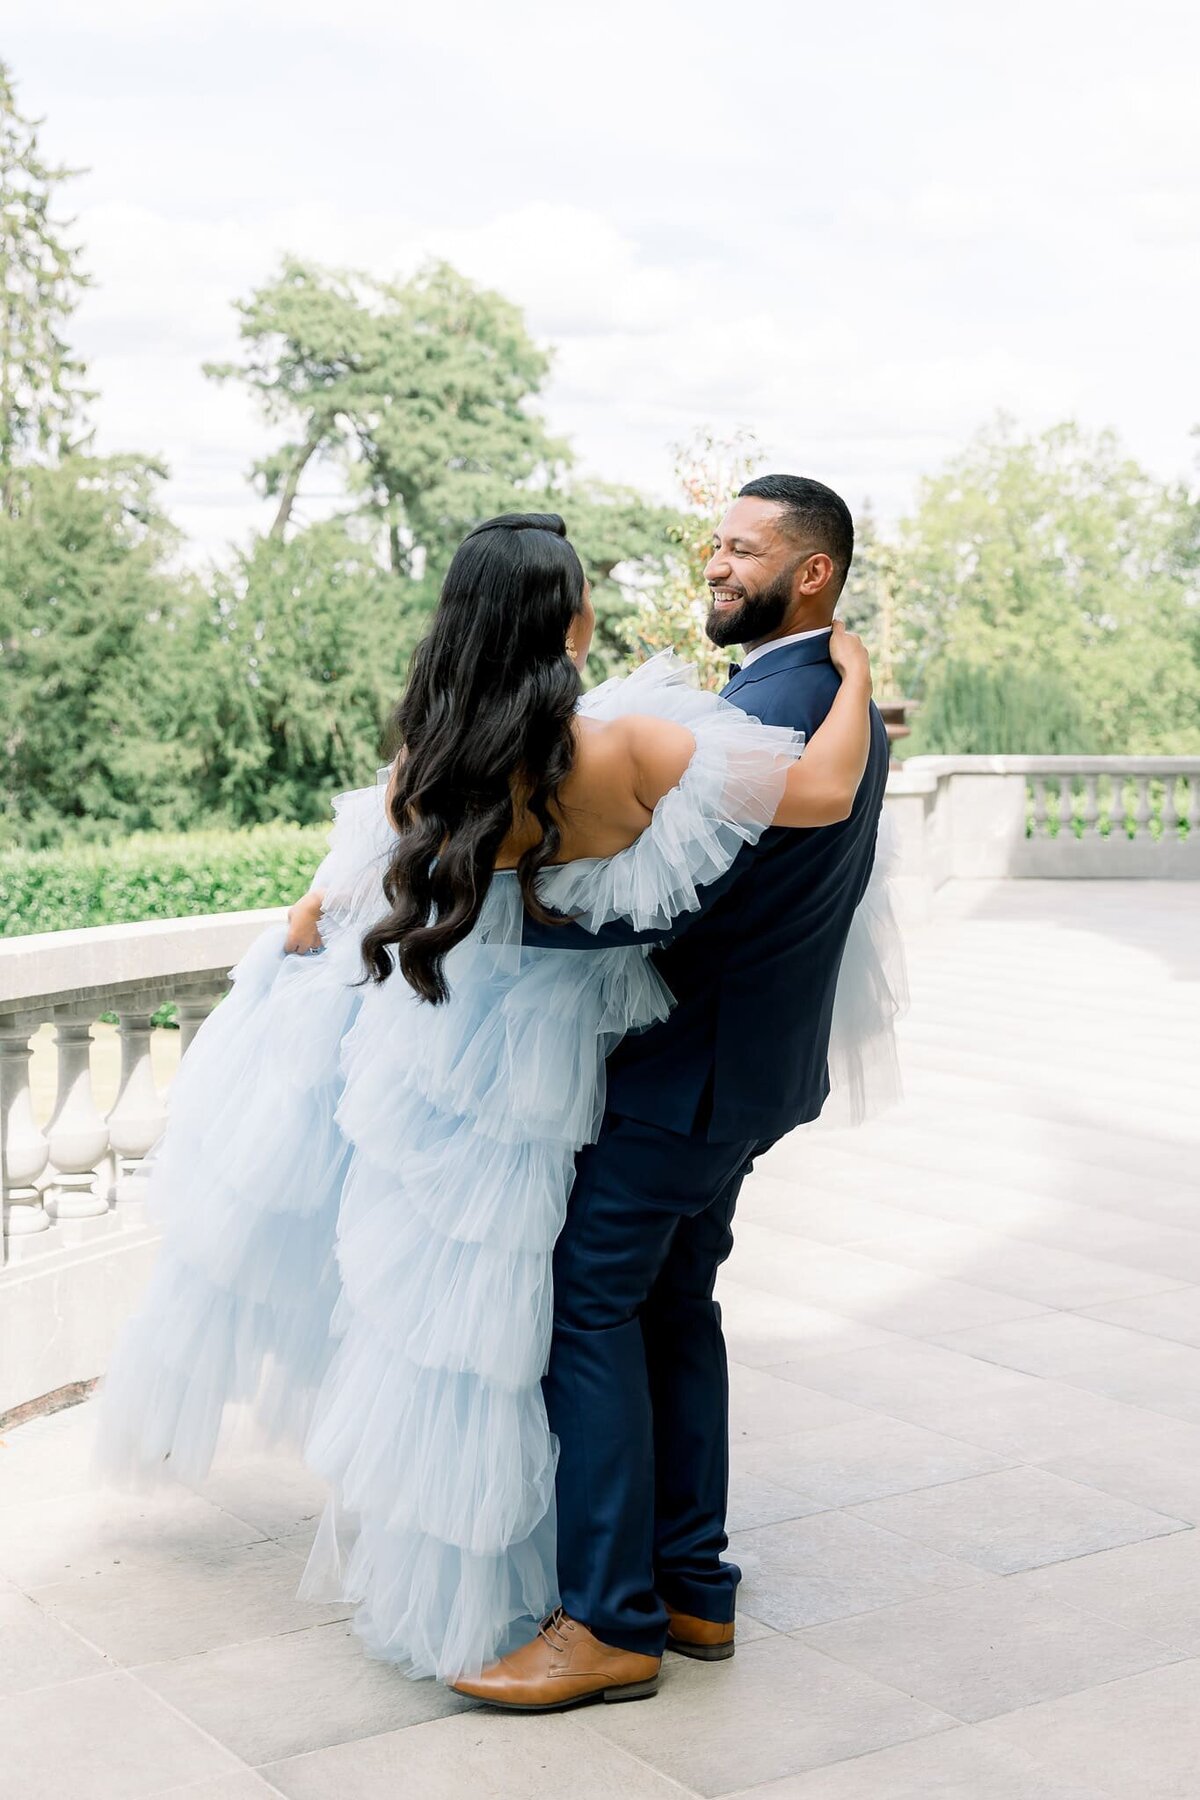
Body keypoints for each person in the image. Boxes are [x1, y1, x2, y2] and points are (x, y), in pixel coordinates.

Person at [89, 508, 895, 1701]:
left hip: (448, 1065)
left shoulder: (435, 767)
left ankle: (611, 1597)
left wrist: (305, 935)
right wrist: (855, 665)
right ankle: (660, 1598)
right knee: (622, 1310)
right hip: (569, 1065)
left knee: (502, 1321)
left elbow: (329, 914)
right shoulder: (622, 750)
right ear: (563, 620)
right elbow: (824, 788)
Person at [451, 475, 899, 1712]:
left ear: (810, 575)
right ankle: (694, 1582)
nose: (714, 563)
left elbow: (681, 900)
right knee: (670, 1304)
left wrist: (527, 930)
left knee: (584, 1307)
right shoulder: (806, 689)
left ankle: (607, 1619)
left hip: (685, 1073)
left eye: (741, 550)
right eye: (716, 541)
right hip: (747, 1069)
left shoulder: (771, 702)